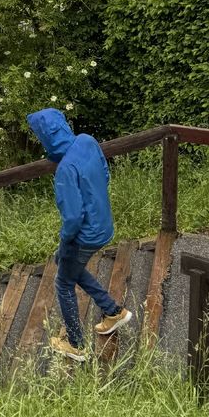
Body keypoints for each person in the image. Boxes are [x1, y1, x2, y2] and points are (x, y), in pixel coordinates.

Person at [27, 107, 132, 361]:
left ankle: (76, 345)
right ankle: (112, 311)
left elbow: (73, 219)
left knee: (63, 283)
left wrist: (65, 240)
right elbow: (105, 175)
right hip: (105, 224)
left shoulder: (65, 169)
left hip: (85, 236)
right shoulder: (87, 140)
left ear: (45, 137)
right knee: (64, 263)